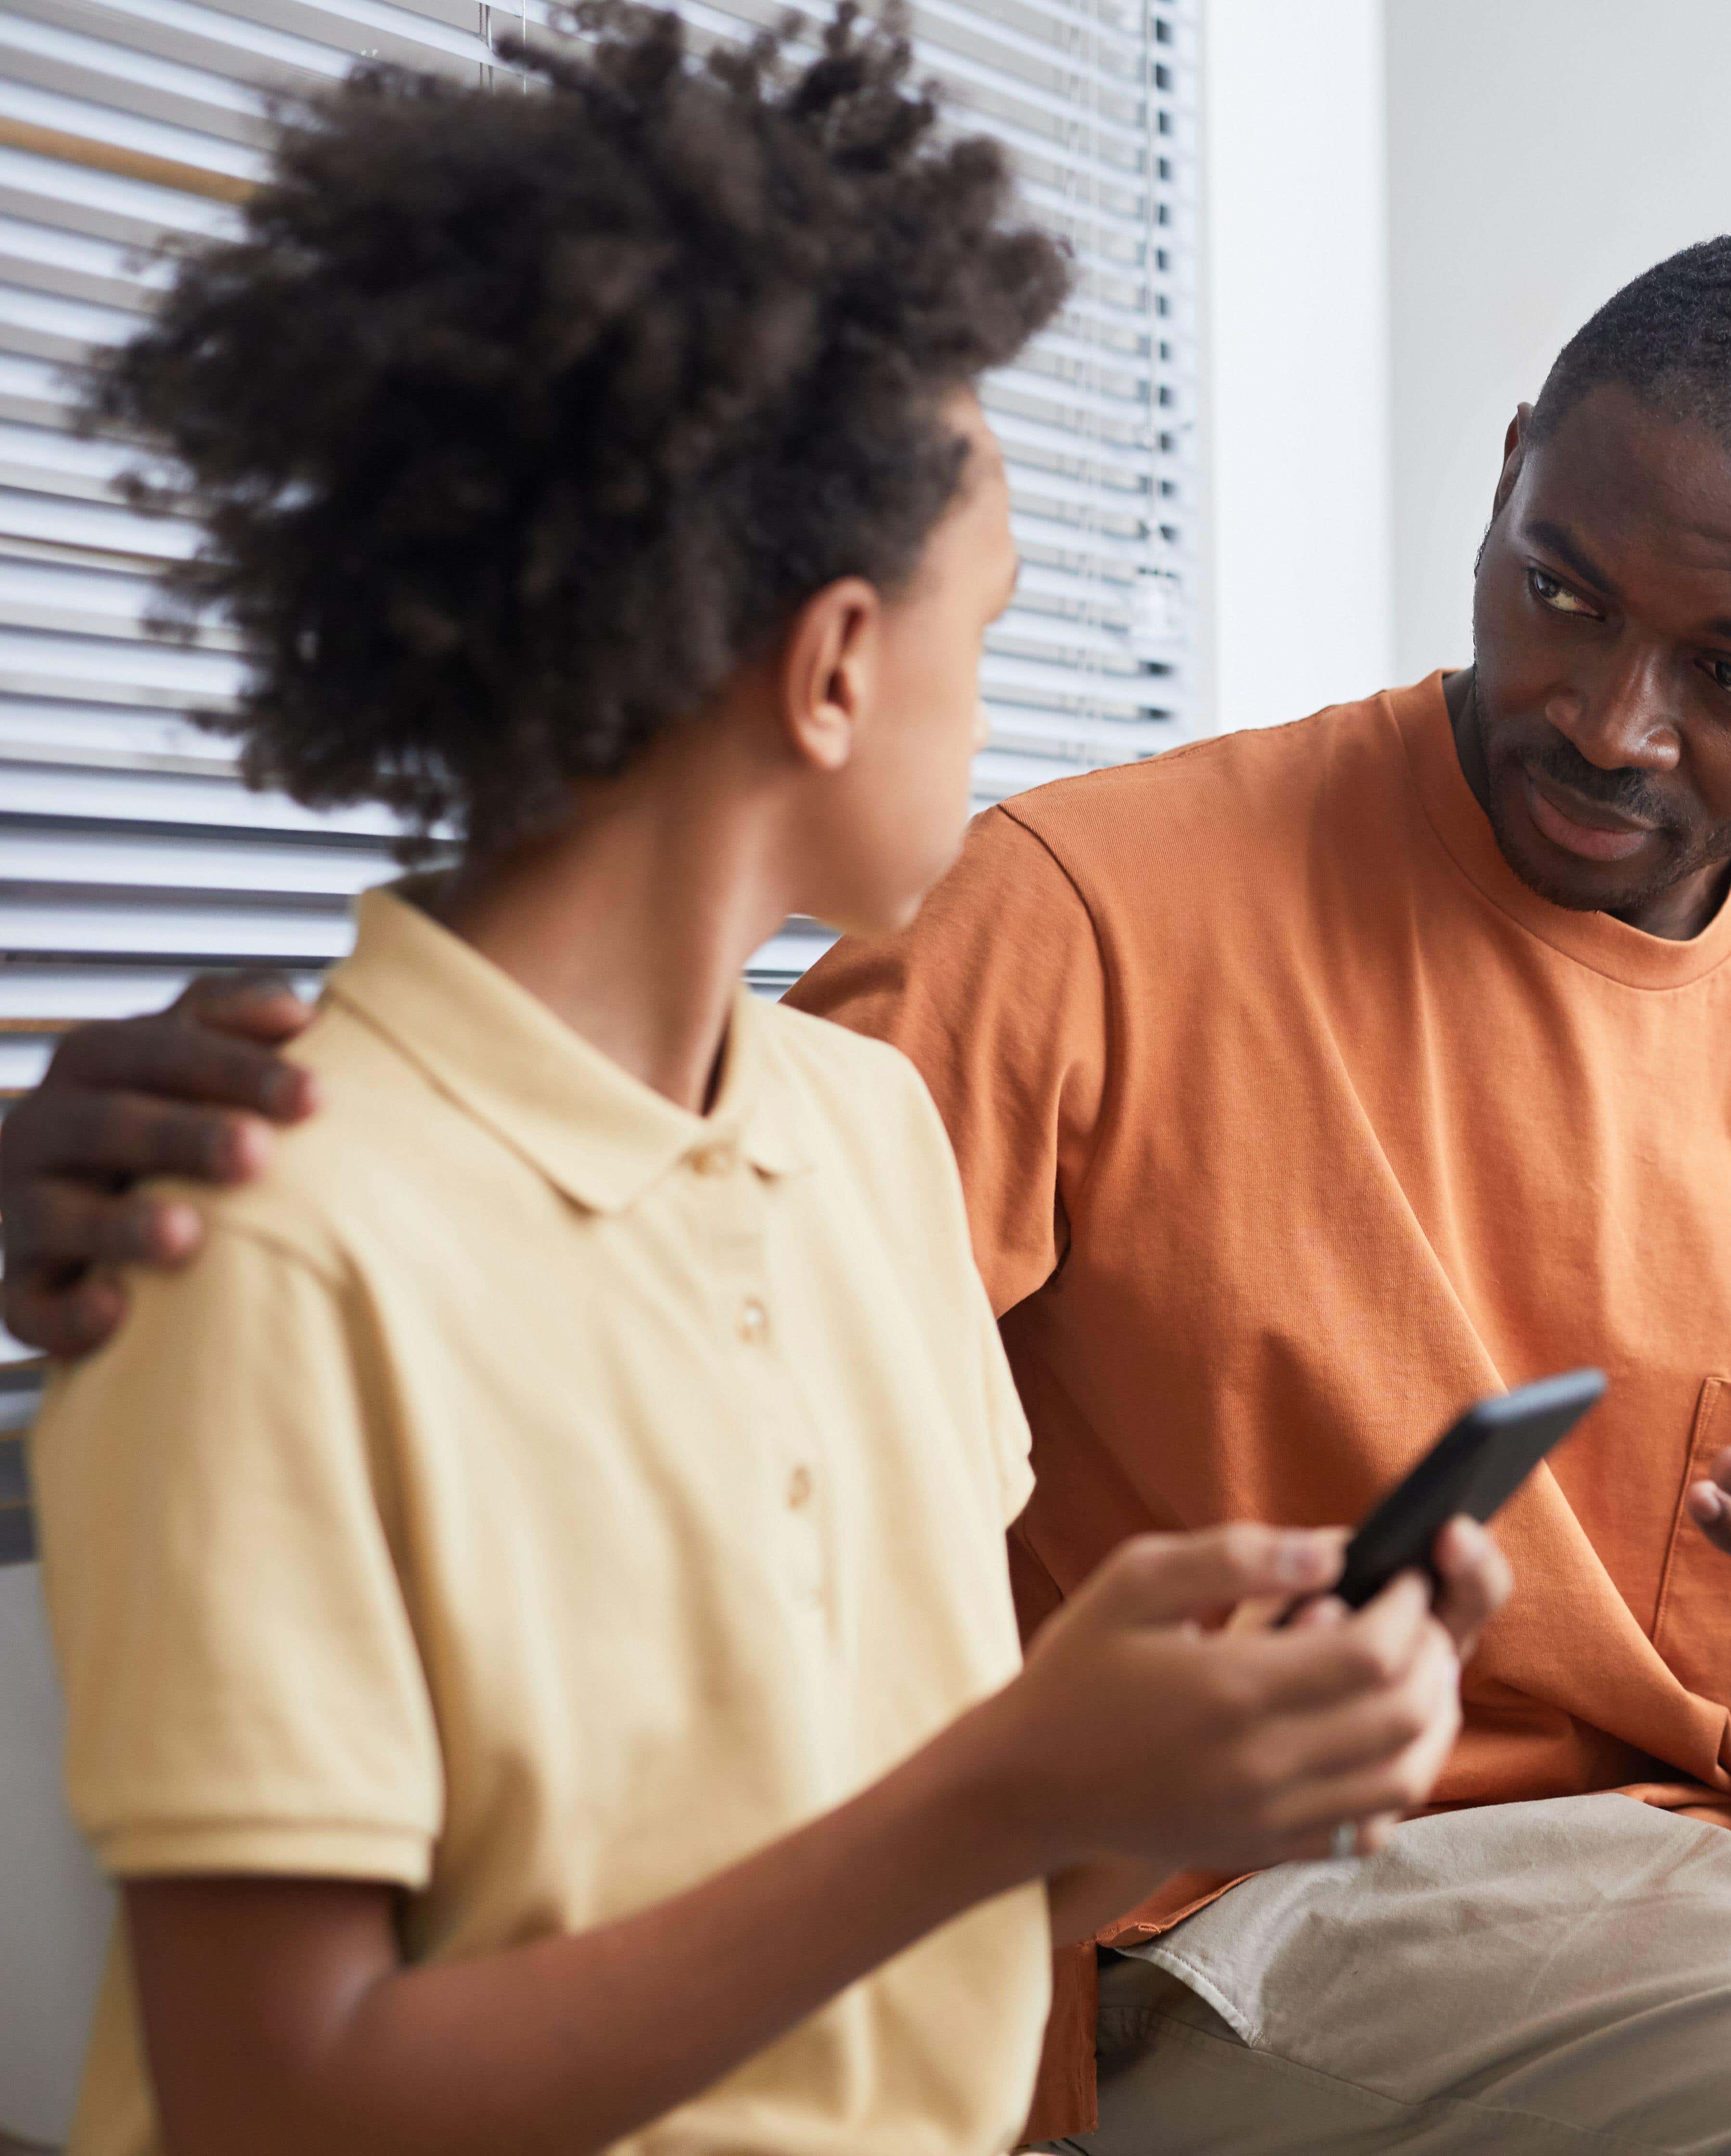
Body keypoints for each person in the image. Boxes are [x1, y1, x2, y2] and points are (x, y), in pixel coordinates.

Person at [5, 223, 1731, 2151]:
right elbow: (610, 1314)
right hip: (1310, 1918)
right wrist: (137, 1180)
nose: (1604, 719)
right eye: (1555, 594)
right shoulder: (1057, 925)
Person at [14, 9, 1505, 2154]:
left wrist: (1182, 1771)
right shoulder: (259, 1234)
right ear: (829, 669)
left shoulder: (872, 1135)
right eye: (981, 633)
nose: (994, 718)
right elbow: (277, 2097)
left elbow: (929, 1912)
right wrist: (1013, 1785)